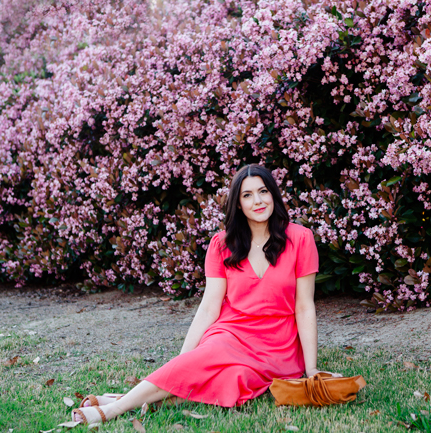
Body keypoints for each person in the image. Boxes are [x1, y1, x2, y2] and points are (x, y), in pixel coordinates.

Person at [71, 164, 342, 425]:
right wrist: (183, 360)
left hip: (278, 344)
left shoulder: (301, 238)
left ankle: (124, 398)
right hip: (231, 332)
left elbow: (304, 306)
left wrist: (311, 368)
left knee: (234, 380)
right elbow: (209, 307)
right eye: (247, 195)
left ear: (273, 194)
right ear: (238, 204)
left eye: (263, 191)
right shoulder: (222, 245)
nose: (258, 201)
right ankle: (115, 409)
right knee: (208, 358)